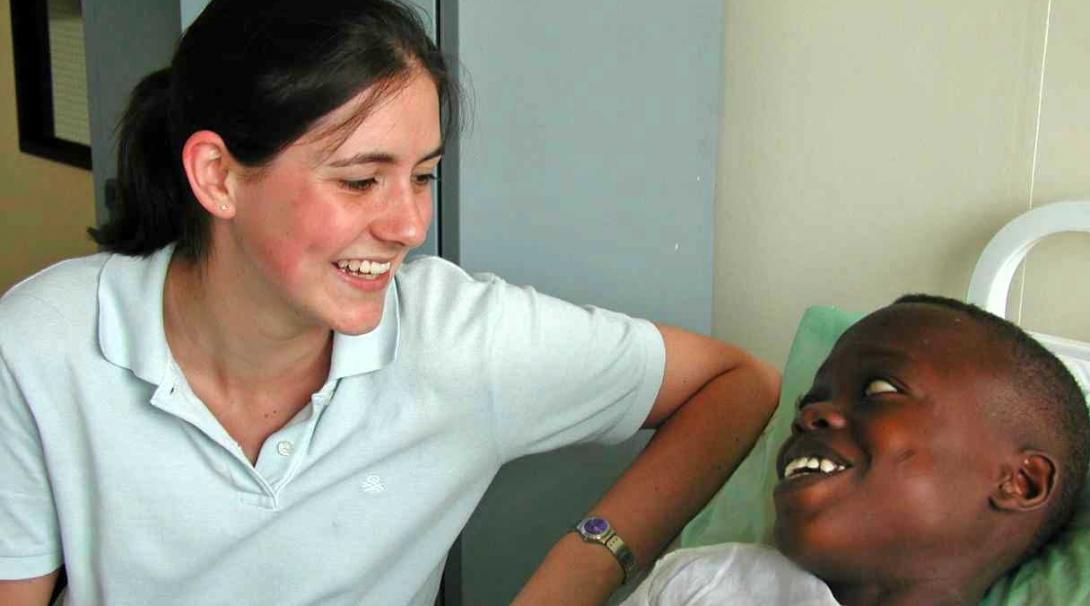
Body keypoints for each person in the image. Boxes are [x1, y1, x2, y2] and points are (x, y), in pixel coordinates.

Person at [0, 1, 779, 605]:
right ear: (219, 176)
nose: (408, 225)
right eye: (359, 180)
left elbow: (736, 383)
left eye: (423, 175)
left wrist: (583, 566)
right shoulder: (43, 345)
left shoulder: (461, 341)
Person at [623, 294, 1090, 605]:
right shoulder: (705, 584)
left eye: (880, 389)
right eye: (809, 403)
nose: (810, 416)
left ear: (1020, 481)